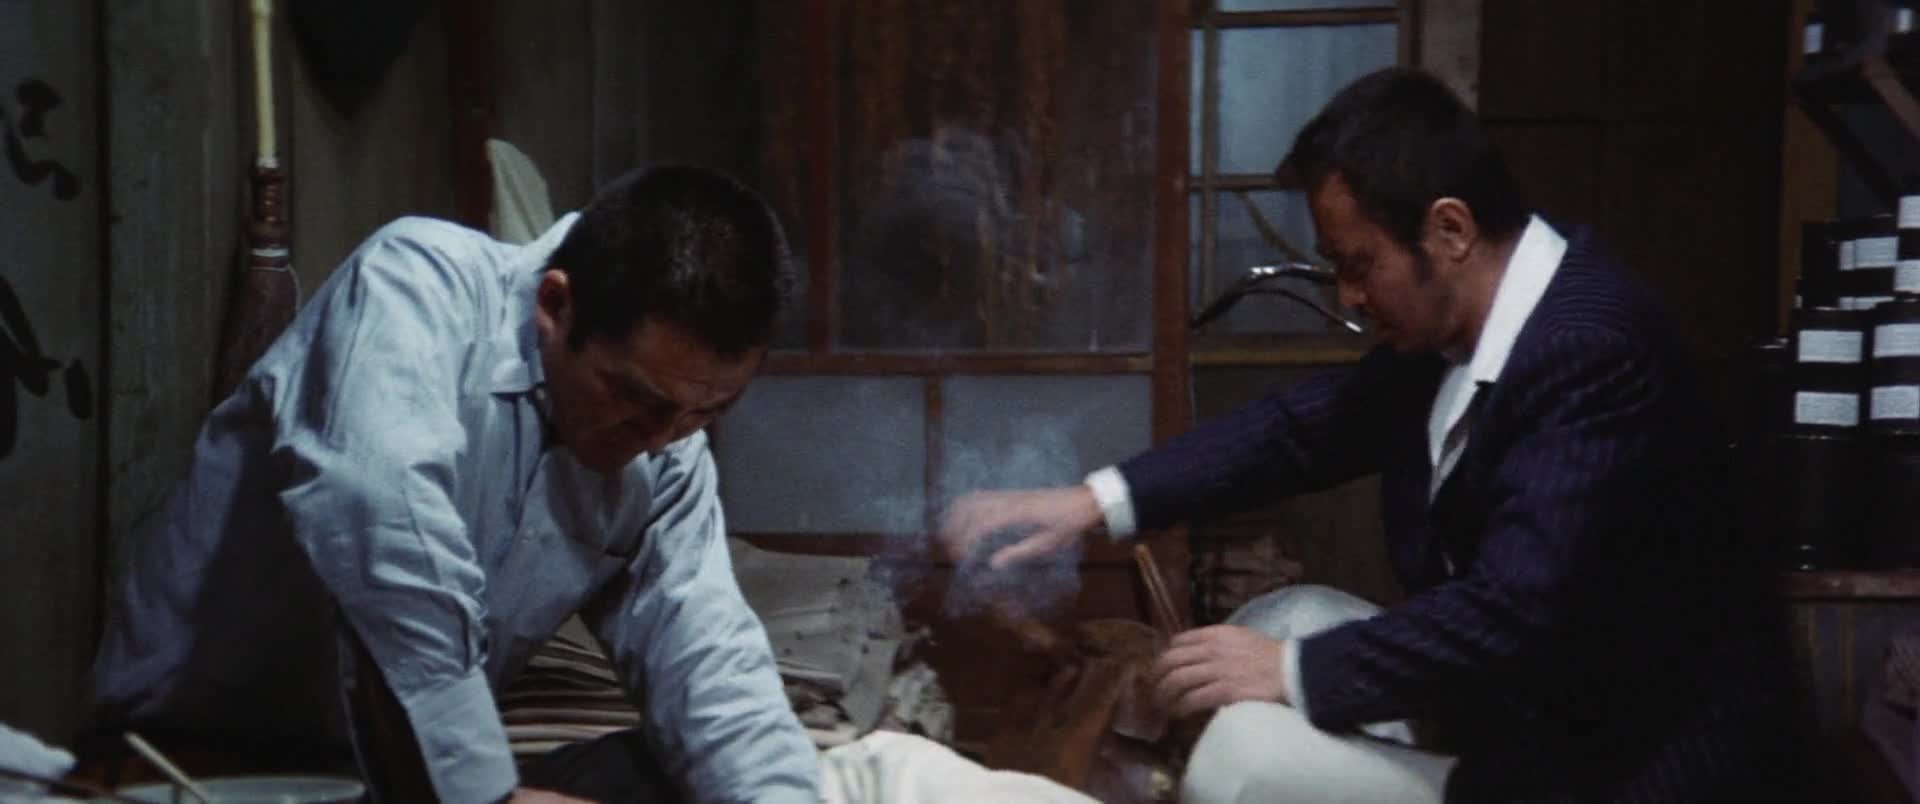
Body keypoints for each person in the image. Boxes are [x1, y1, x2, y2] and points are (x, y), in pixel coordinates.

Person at [938, 67, 1801, 803]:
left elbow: (1515, 612)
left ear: (1450, 230)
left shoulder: (1590, 350)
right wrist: (1088, 504)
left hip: (1624, 769)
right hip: (1532, 718)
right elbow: (1299, 431)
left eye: (1359, 265)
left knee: (1244, 758)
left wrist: (1286, 673)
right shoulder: (1465, 324)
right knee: (1291, 616)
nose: (1349, 297)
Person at [87, 165, 819, 803]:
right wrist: (486, 797)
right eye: (636, 398)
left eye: (707, 413)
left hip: (393, 779)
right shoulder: (416, 286)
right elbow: (381, 523)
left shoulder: (669, 450)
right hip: (203, 763)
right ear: (555, 305)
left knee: (685, 777)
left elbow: (709, 654)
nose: (661, 438)